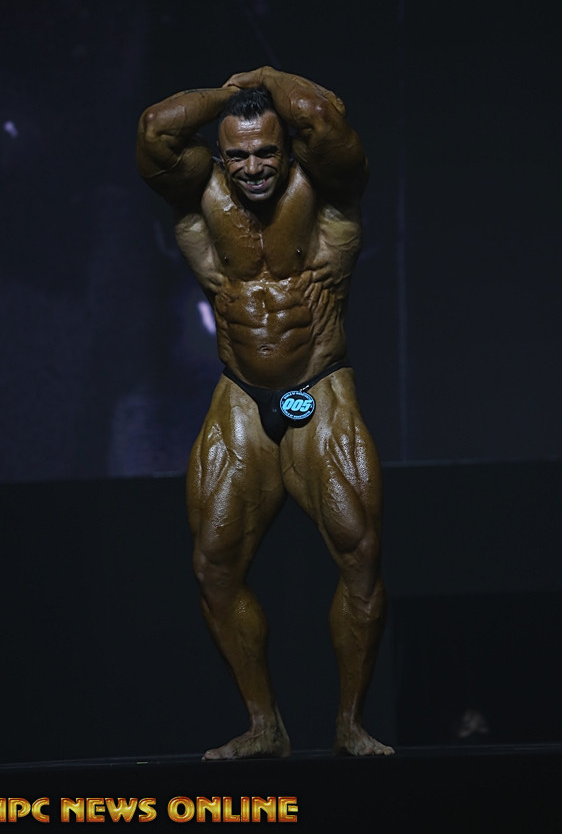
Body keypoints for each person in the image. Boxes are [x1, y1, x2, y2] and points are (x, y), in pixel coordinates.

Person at [136, 66, 393, 759]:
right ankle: (264, 725)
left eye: (267, 152)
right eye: (239, 154)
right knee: (213, 567)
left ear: (287, 150)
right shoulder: (201, 196)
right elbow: (156, 129)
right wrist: (230, 96)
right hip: (242, 398)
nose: (254, 167)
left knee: (360, 554)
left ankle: (350, 725)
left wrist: (266, 77)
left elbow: (325, 120)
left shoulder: (328, 191)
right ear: (221, 156)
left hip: (319, 388)